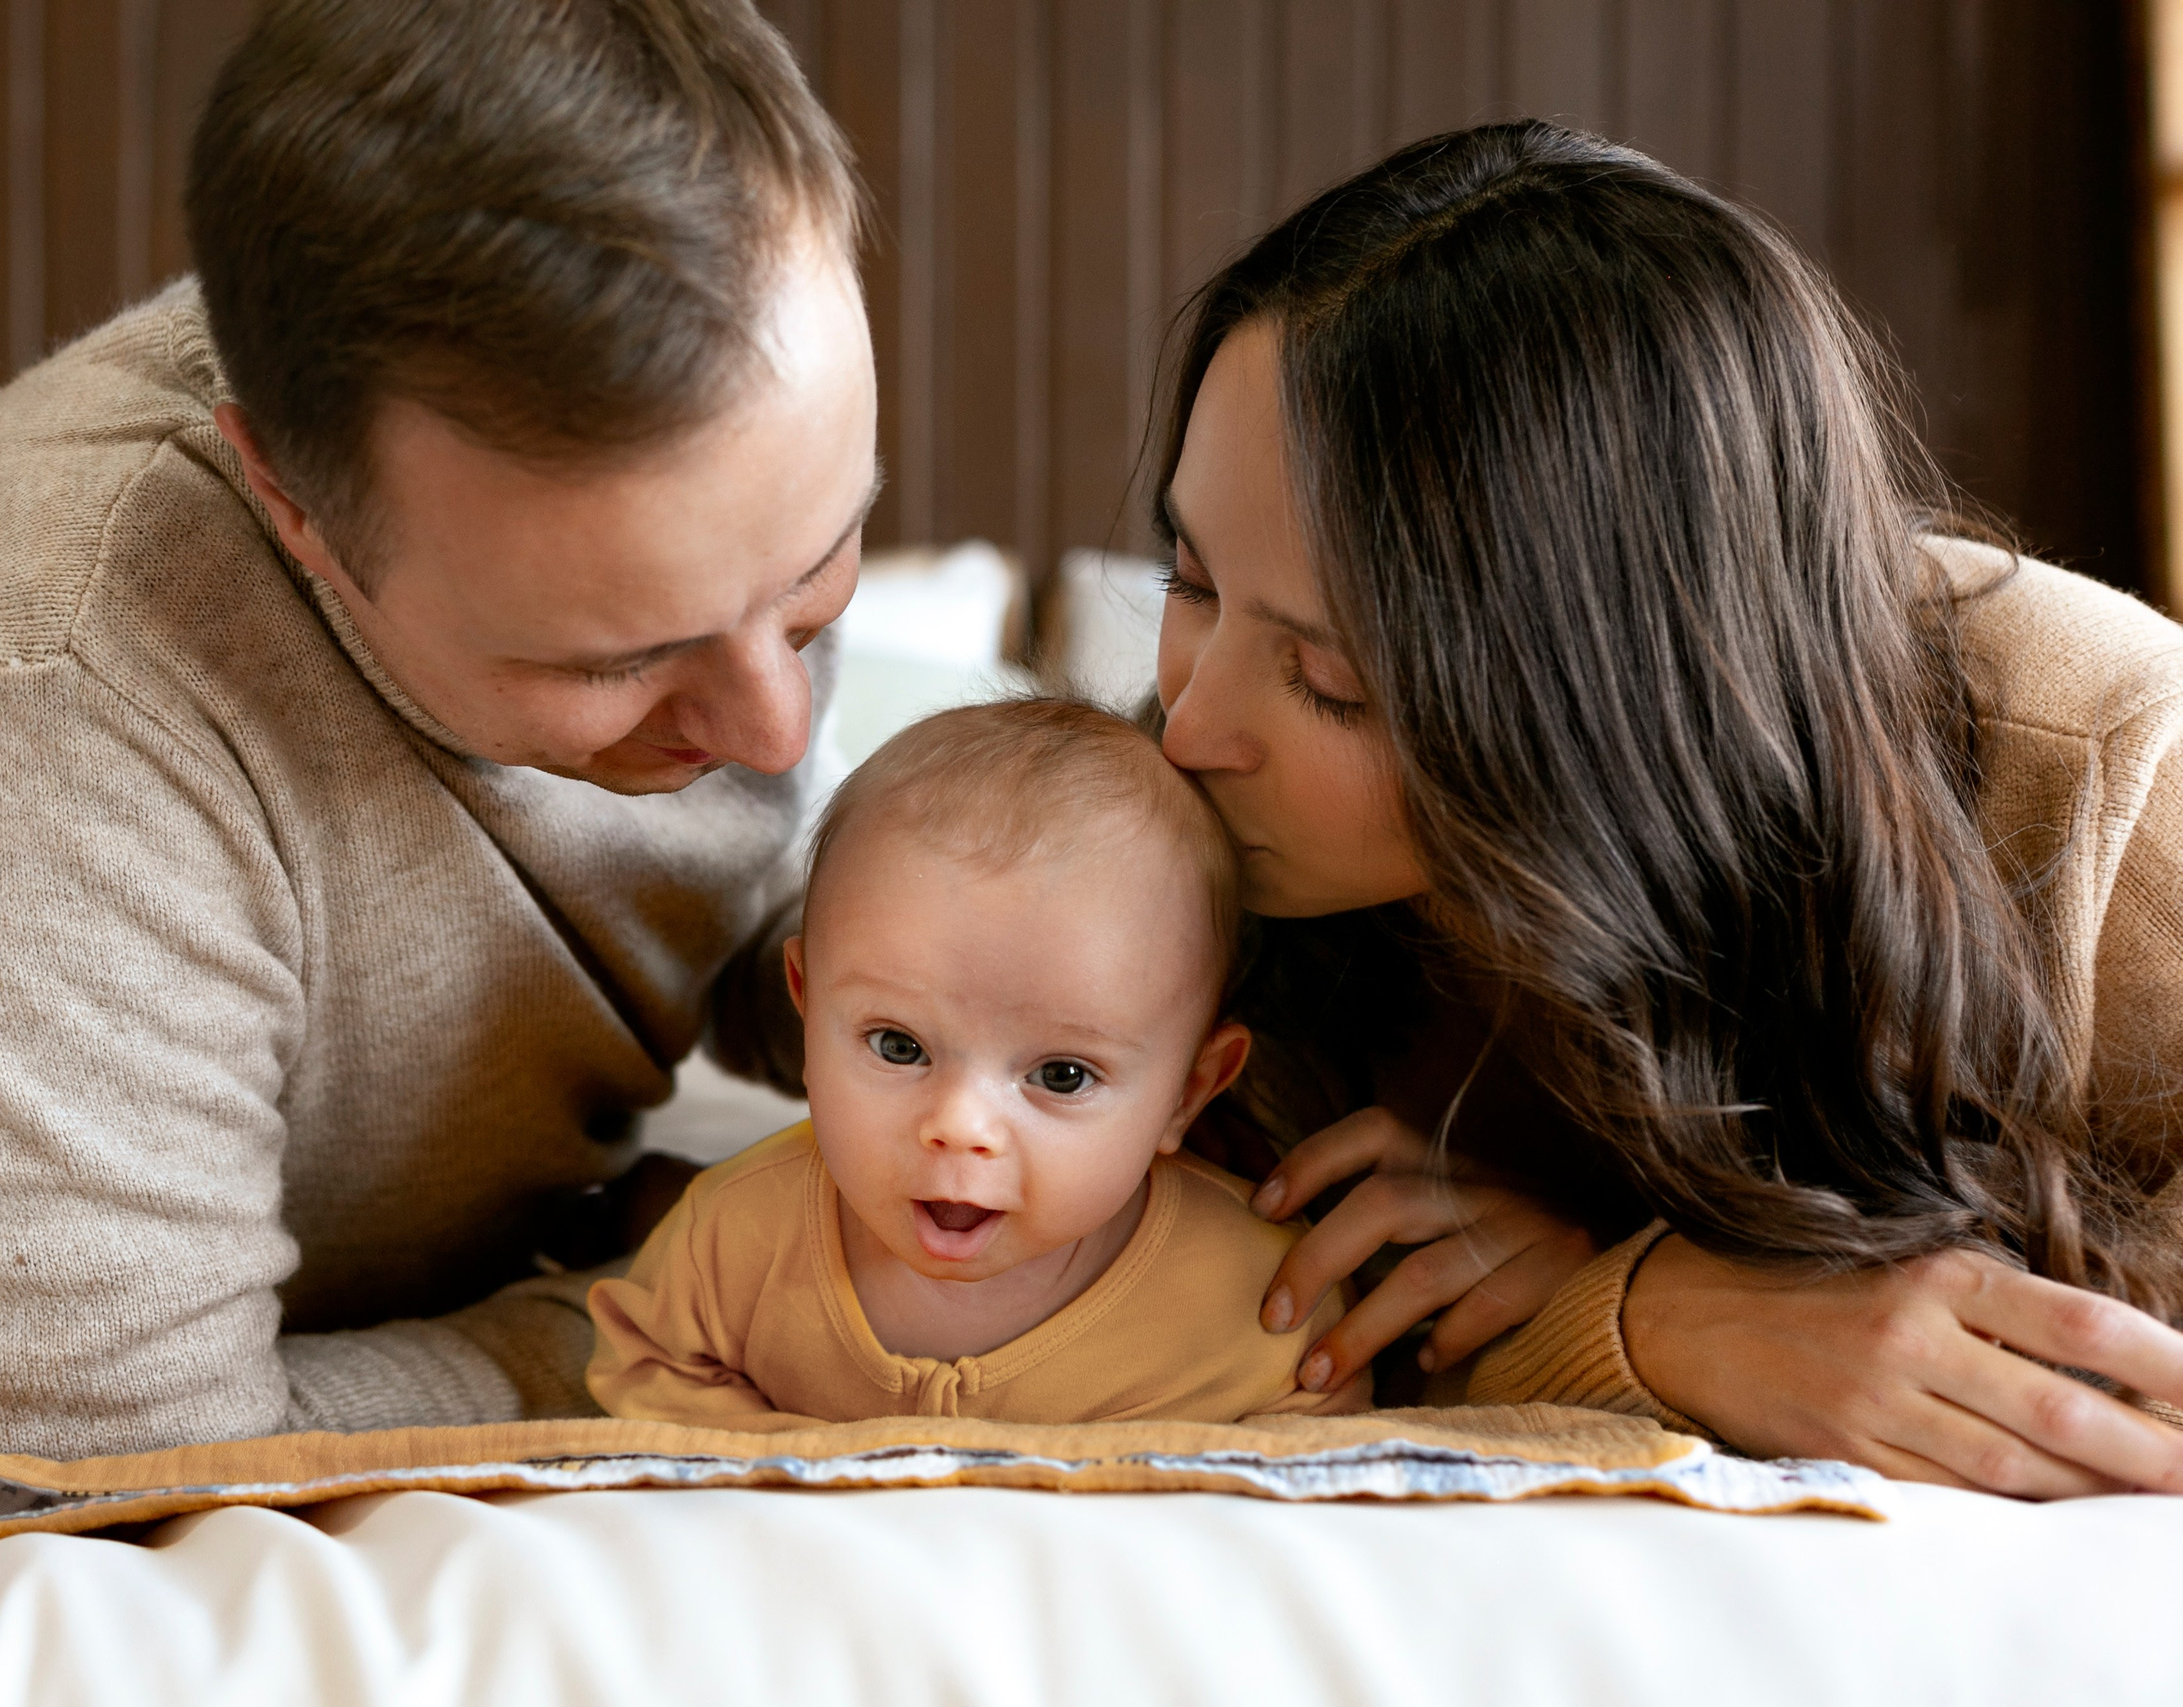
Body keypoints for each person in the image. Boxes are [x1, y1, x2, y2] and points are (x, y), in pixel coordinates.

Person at [0, 0, 876, 1457]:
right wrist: (656, 1316)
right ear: (296, 511)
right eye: (625, 656)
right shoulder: (55, 698)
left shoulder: (705, 546)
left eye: (818, 576)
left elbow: (750, 916)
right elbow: (78, 1456)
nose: (778, 725)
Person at [1149, 119, 2183, 1498]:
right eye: (1189, 582)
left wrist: (1666, 1311)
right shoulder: (1221, 870)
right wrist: (1647, 1318)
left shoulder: (2110, 773)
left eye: (1328, 681)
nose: (1189, 724)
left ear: (1611, 705)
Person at [588, 698, 1366, 1427]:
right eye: (899, 1046)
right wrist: (787, 1478)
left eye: (1061, 1075)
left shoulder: (1253, 1300)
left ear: (1187, 1094)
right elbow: (649, 1362)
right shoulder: (733, 1238)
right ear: (806, 1003)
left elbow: (1320, 1453)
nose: (958, 1126)